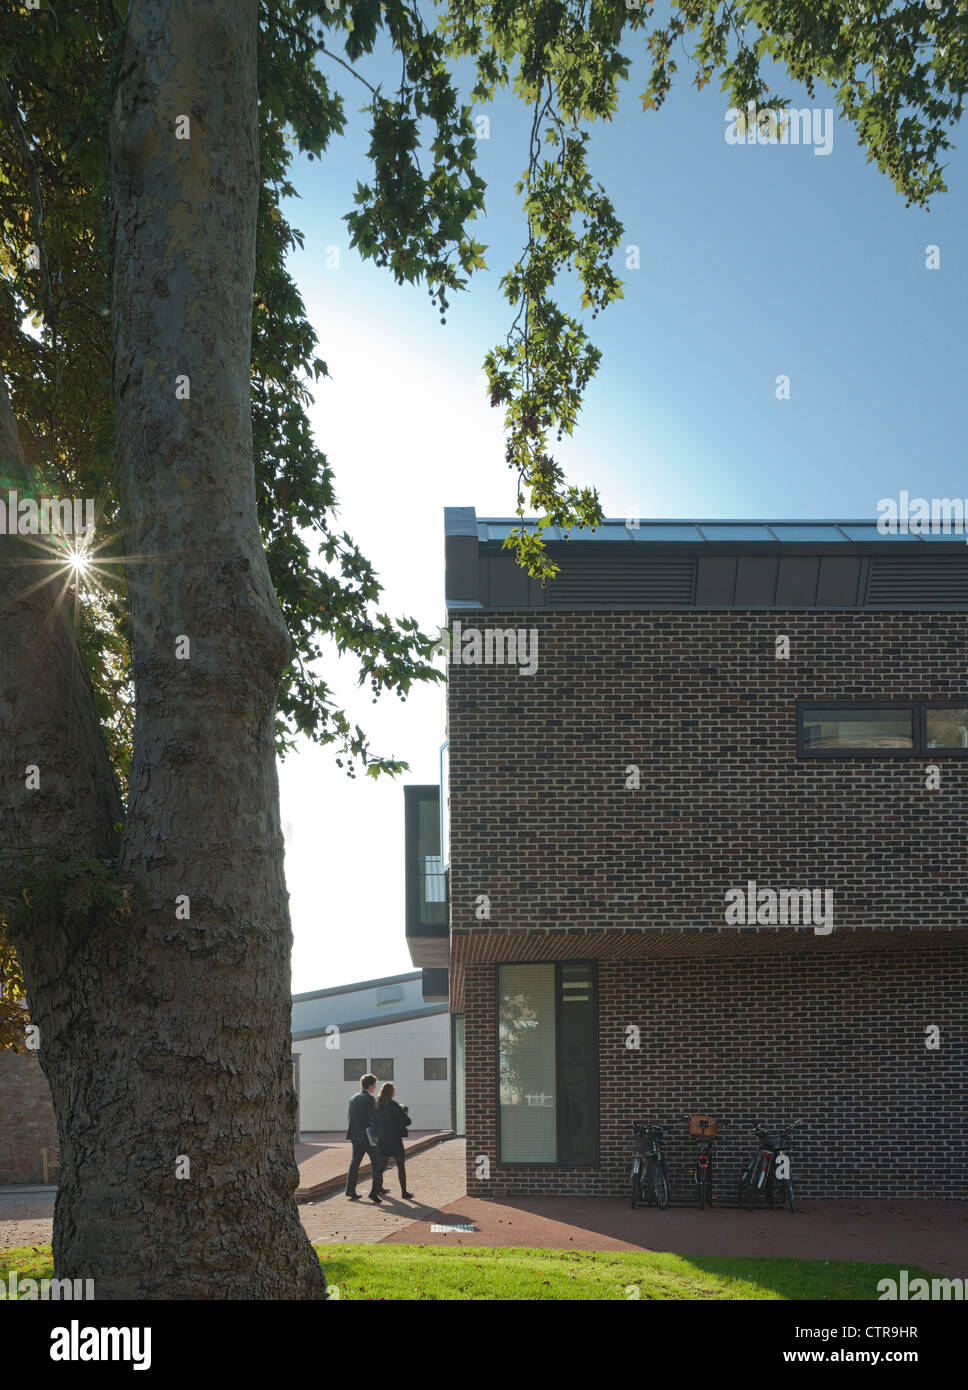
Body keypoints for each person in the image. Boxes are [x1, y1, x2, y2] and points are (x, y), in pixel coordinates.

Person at [373, 1082, 415, 1200]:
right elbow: (407, 1121)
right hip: (395, 1139)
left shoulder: (377, 1105)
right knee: (401, 1166)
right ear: (391, 1093)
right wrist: (403, 1112)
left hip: (382, 1139)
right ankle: (404, 1192)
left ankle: (373, 1192)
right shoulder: (393, 1105)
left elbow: (375, 1122)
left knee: (380, 1167)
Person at [345, 1073, 382, 1203]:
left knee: (355, 1163)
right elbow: (374, 1119)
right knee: (377, 1164)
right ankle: (375, 1192)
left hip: (355, 1136)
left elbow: (351, 1118)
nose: (375, 1087)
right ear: (371, 1085)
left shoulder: (353, 1099)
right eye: (375, 1085)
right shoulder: (370, 1099)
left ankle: (350, 1191)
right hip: (368, 1137)